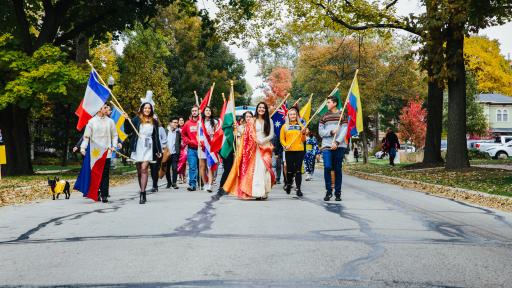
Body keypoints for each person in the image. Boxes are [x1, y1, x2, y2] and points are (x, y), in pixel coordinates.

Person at [223, 102, 275, 200]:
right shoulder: (252, 120)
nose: (261, 109)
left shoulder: (270, 121)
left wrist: (262, 141)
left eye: (263, 108)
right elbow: (246, 133)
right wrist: (236, 128)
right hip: (254, 147)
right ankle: (258, 192)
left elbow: (271, 135)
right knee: (257, 170)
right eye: (259, 107)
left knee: (265, 169)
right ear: (257, 109)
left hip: (266, 147)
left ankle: (265, 191)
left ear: (266, 110)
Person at [80, 104, 120, 203]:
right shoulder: (91, 121)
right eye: (105, 107)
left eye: (107, 107)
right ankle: (95, 192)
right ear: (99, 109)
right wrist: (83, 147)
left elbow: (115, 135)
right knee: (95, 173)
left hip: (106, 151)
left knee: (105, 174)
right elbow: (86, 136)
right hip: (95, 152)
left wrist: (114, 146)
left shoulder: (110, 121)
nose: (107, 109)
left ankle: (104, 194)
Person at [126, 102, 162, 204]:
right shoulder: (136, 119)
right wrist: (126, 119)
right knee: (139, 171)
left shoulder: (154, 121)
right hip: (138, 146)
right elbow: (128, 130)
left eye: (149, 108)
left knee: (144, 168)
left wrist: (159, 150)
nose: (147, 110)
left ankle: (143, 193)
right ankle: (142, 188)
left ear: (151, 110)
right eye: (145, 108)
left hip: (149, 147)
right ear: (142, 109)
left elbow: (156, 137)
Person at [318, 96, 348, 202]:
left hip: (339, 145)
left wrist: (337, 141)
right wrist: (330, 132)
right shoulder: (324, 116)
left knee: (337, 169)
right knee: (327, 167)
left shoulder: (342, 115)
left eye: (328, 102)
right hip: (326, 145)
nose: (327, 104)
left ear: (334, 103)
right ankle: (328, 191)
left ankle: (338, 192)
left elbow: (345, 129)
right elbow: (320, 132)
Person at [218, 112, 252, 196]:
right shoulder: (238, 128)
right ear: (244, 119)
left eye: (250, 116)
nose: (248, 118)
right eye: (247, 116)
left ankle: (242, 188)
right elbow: (232, 139)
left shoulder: (253, 128)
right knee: (229, 170)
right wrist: (235, 131)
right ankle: (222, 187)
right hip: (233, 151)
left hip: (246, 153)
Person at [280, 107, 307, 197]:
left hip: (299, 150)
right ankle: (289, 184)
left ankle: (298, 188)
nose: (293, 116)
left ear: (297, 116)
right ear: (288, 116)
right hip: (289, 150)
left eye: (294, 114)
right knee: (290, 170)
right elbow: (282, 139)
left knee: (298, 170)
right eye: (291, 114)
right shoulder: (285, 126)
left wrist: (303, 133)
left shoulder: (301, 126)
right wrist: (285, 145)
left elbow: (303, 140)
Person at [198, 106, 218, 192]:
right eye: (206, 110)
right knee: (202, 166)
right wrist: (199, 141)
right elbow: (197, 134)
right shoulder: (200, 122)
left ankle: (210, 185)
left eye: (209, 110)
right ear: (203, 112)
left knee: (210, 165)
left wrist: (213, 134)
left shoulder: (215, 122)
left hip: (211, 146)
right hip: (202, 146)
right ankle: (205, 183)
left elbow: (218, 133)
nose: (208, 111)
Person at [181, 106, 200, 191]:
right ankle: (192, 184)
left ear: (198, 112)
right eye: (193, 111)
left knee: (202, 167)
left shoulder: (201, 122)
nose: (194, 112)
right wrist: (188, 141)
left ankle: (202, 183)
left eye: (196, 110)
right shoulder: (187, 123)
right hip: (192, 149)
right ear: (191, 112)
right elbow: (183, 134)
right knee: (192, 167)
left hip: (201, 149)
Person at [149, 116, 167, 192]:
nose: (154, 120)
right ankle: (153, 182)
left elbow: (164, 139)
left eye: (156, 118)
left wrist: (161, 148)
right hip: (148, 149)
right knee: (150, 168)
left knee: (155, 168)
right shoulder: (148, 127)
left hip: (157, 150)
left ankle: (155, 185)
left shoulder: (161, 129)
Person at [165, 117, 181, 189]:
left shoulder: (178, 132)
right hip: (167, 153)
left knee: (175, 168)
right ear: (170, 123)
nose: (176, 124)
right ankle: (169, 182)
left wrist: (178, 151)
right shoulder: (165, 131)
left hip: (175, 153)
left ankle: (174, 183)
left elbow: (179, 142)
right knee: (167, 169)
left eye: (177, 122)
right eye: (174, 122)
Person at [177, 116, 187, 184]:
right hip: (178, 148)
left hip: (185, 147)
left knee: (184, 162)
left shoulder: (186, 128)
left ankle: (184, 176)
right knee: (180, 162)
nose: (181, 121)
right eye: (180, 120)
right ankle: (180, 177)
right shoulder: (176, 129)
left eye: (182, 120)